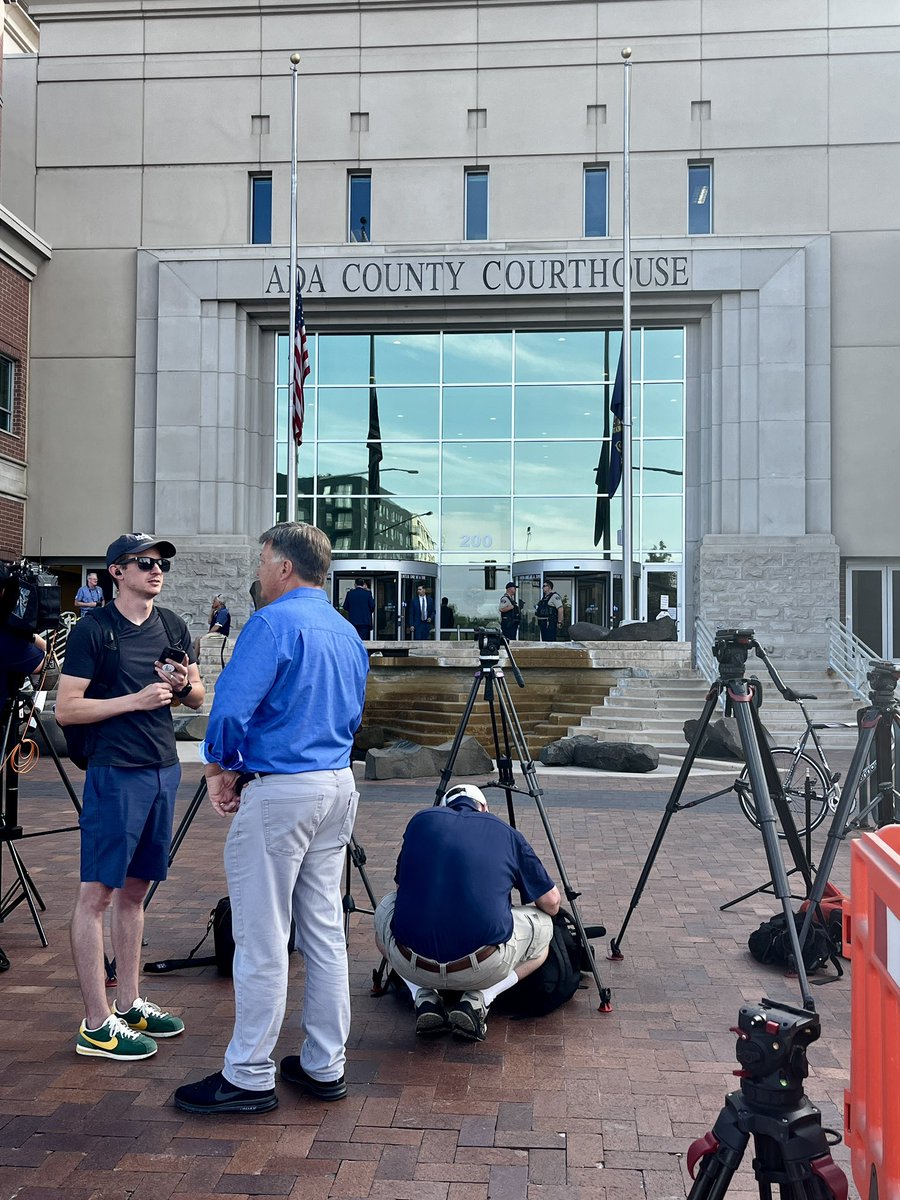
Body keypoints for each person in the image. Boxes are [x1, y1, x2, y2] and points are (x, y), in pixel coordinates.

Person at [173, 521, 369, 1116]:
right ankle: (323, 1064)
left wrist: (220, 768)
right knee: (324, 934)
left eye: (263, 560)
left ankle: (249, 1073)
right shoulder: (345, 630)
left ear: (284, 566)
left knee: (262, 938)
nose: (258, 571)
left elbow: (228, 709)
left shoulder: (271, 622)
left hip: (283, 790)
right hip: (337, 785)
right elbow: (355, 712)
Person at [56, 533, 205, 1061]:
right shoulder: (94, 631)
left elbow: (198, 694)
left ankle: (130, 1001)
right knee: (95, 895)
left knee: (136, 893)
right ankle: (96, 1024)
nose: (156, 569)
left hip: (163, 769)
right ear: (117, 571)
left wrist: (183, 683)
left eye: (161, 562)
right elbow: (67, 710)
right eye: (145, 563)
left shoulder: (173, 625)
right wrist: (135, 699)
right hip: (116, 772)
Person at [374, 783, 560, 1043]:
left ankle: (423, 996)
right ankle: (479, 1000)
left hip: (413, 964)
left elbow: (402, 888)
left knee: (386, 907)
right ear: (483, 808)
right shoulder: (504, 831)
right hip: (484, 966)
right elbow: (552, 903)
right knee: (544, 925)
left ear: (444, 807)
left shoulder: (420, 821)